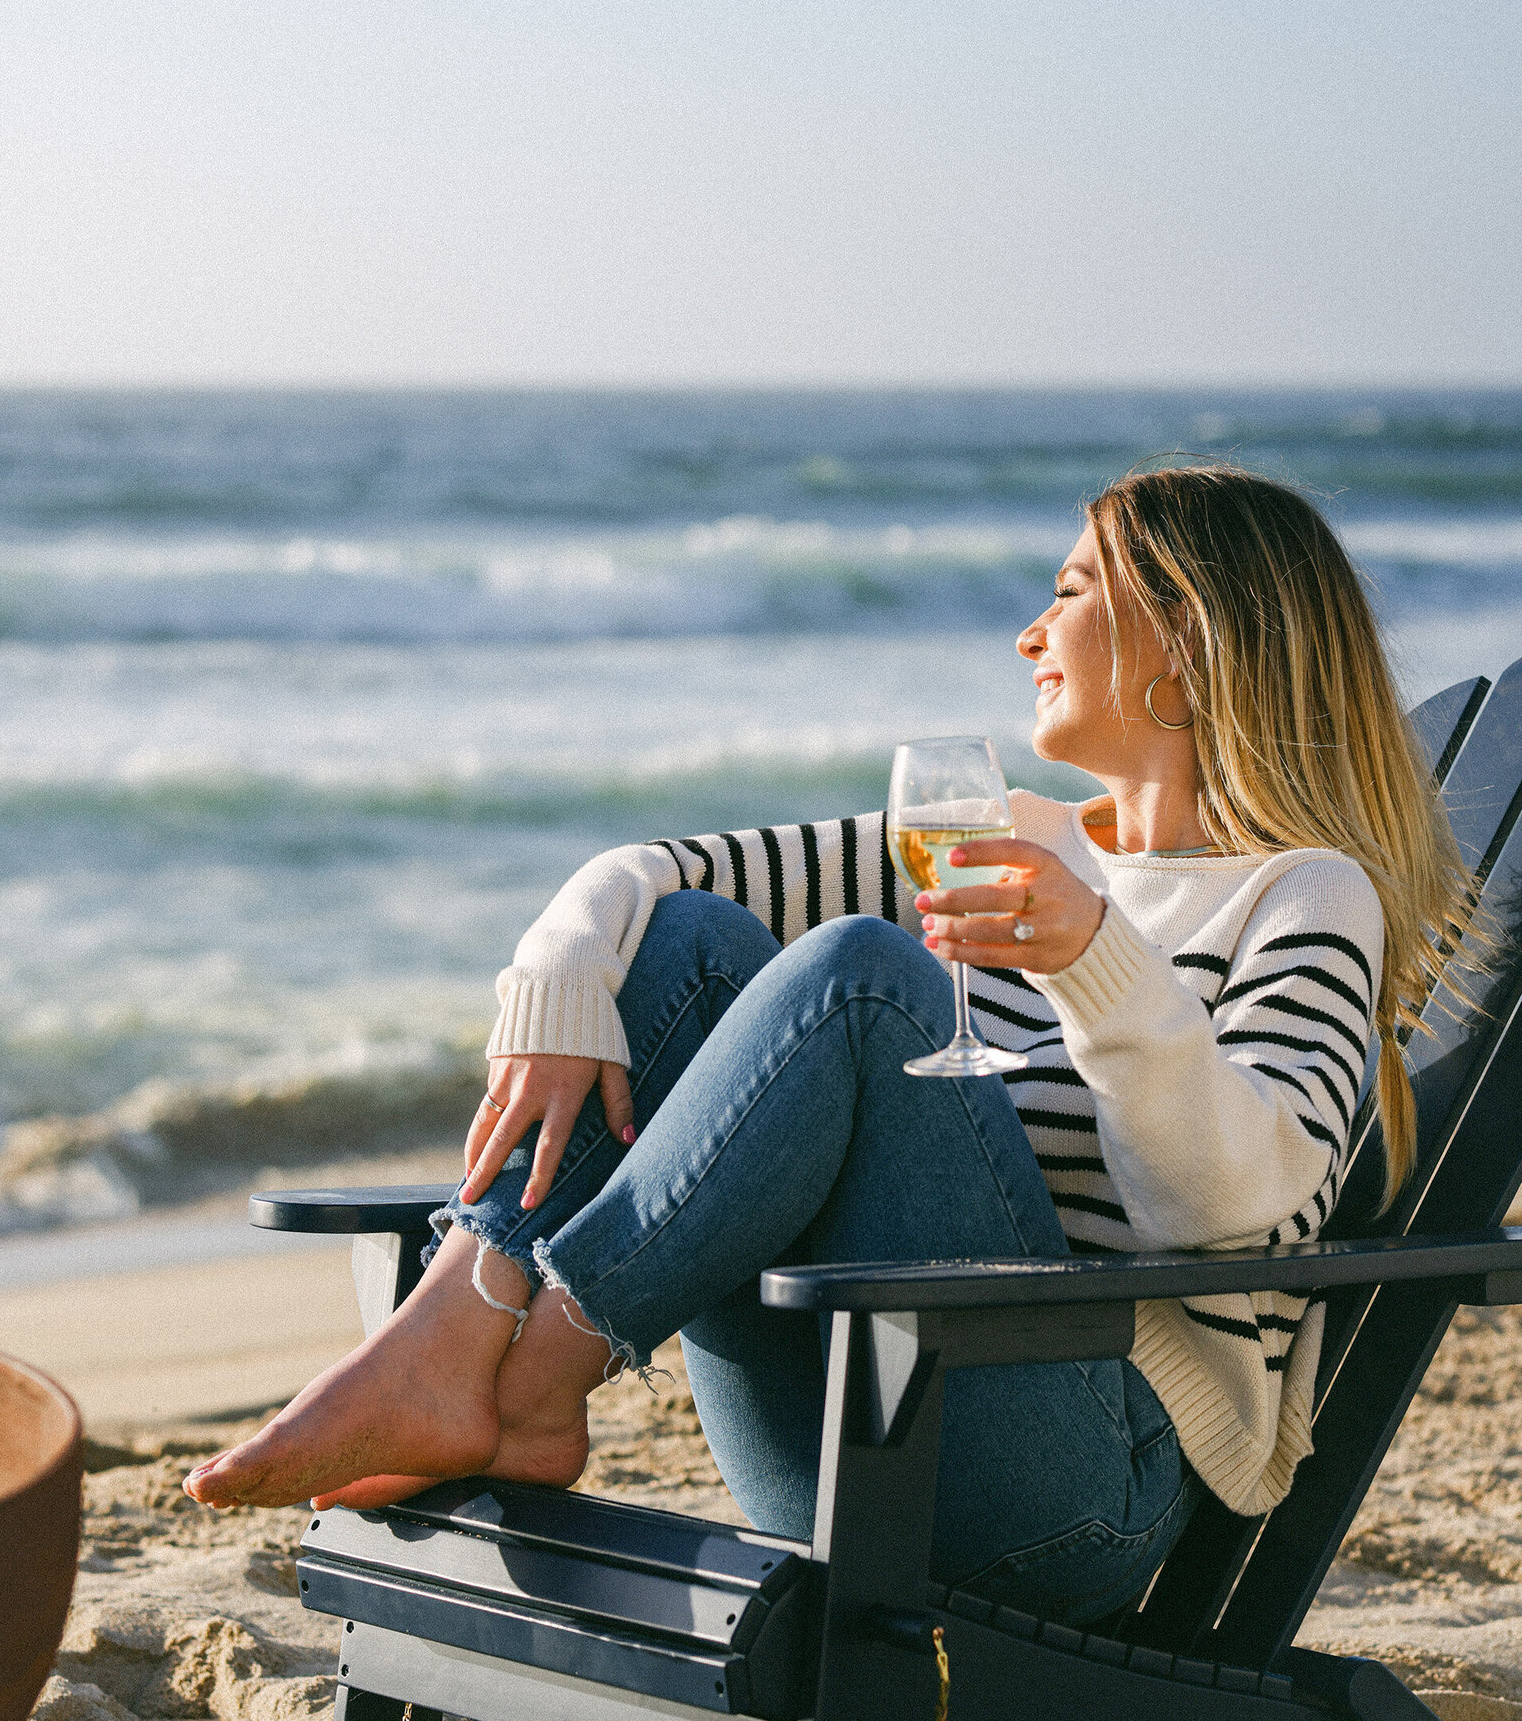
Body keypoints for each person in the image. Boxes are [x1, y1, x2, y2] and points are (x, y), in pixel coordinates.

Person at [185, 468, 1468, 1626]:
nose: (1030, 630)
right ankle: (464, 1340)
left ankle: (511, 1377)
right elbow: (660, 878)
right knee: (686, 938)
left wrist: (1096, 959)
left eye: (1074, 590)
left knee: (863, 975)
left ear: (1186, 648)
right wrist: (557, 975)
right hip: (845, 1424)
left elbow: (1236, 1201)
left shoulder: (1303, 895)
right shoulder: (1004, 832)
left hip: (1078, 1483)